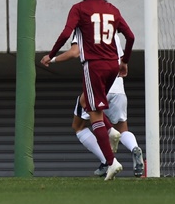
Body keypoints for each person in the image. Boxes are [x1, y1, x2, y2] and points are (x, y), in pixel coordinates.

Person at [40, 0, 136, 181]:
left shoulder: (80, 9)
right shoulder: (113, 9)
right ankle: (111, 132)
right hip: (112, 64)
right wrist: (125, 61)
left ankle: (111, 162)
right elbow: (130, 36)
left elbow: (66, 33)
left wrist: (51, 54)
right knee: (86, 101)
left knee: (94, 114)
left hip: (94, 65)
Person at [46, 31, 144, 177]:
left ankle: (107, 161)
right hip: (117, 86)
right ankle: (134, 148)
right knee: (122, 128)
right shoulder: (111, 29)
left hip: (99, 83)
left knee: (78, 126)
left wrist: (52, 59)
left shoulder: (85, 26)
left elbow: (74, 52)